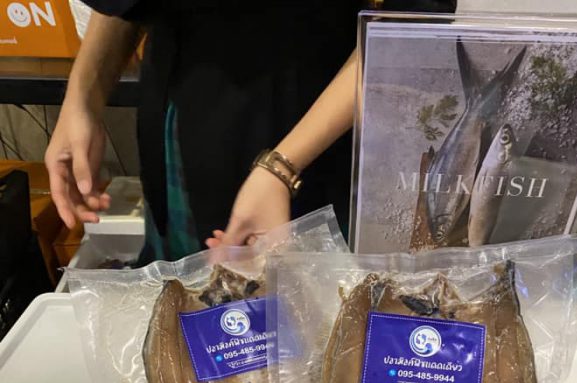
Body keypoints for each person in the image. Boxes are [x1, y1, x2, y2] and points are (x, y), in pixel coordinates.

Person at [45, 1, 456, 262]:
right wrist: (82, 97)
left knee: (314, 332)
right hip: (179, 125)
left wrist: (282, 168)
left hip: (322, 123)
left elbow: (412, 16)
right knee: (191, 336)